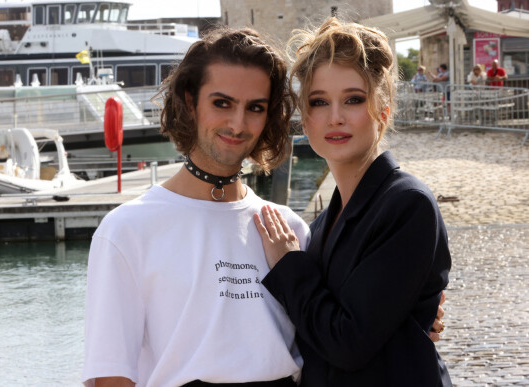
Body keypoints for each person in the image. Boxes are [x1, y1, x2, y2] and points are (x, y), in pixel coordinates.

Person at [82, 27, 311, 386]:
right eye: (222, 103)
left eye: (255, 108)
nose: (237, 124)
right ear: (190, 102)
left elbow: (342, 335)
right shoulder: (127, 230)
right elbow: (110, 374)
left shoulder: (290, 229)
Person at [253, 17, 452, 386]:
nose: (336, 117)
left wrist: (289, 265)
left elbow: (348, 343)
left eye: (353, 99)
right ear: (306, 120)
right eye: (319, 102)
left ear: (383, 110)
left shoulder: (407, 204)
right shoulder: (320, 225)